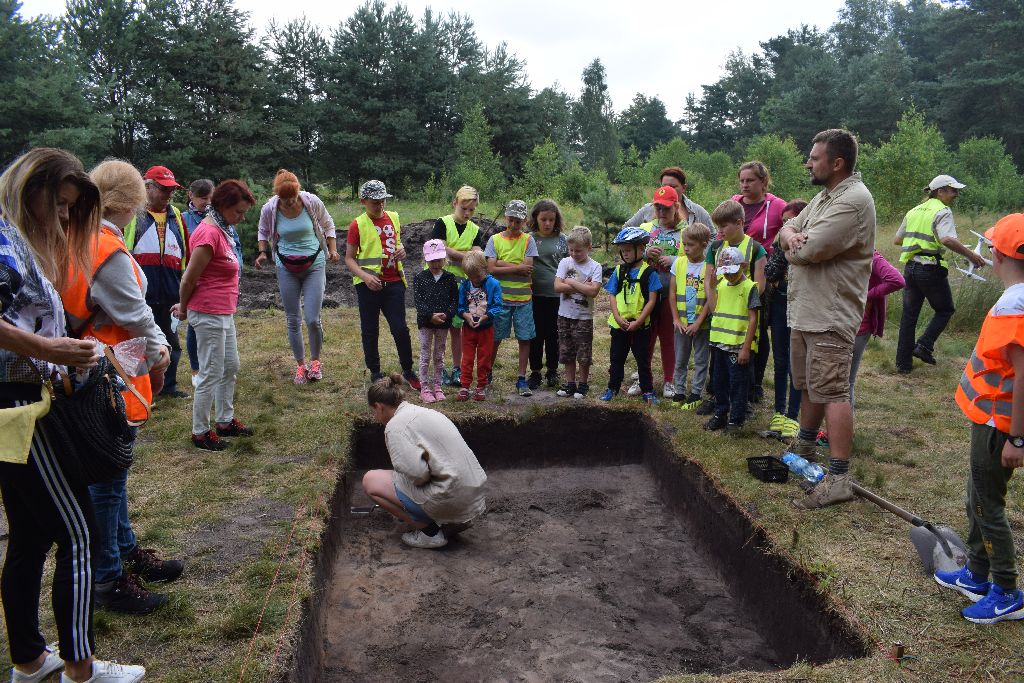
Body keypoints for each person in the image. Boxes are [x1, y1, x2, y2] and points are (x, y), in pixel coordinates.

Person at [0, 148, 146, 682]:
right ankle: (81, 670)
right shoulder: (3, 245)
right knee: (80, 533)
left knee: (30, 536)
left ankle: (30, 661)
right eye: (58, 204)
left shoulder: (20, 244)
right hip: (21, 409)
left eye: (70, 208)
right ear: (28, 190)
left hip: (20, 404)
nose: (63, 217)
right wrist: (51, 350)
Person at [62, 159, 183, 616]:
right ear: (132, 201)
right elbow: (134, 314)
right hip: (110, 376)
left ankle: (126, 552)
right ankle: (109, 578)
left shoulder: (80, 240)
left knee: (112, 473)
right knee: (108, 481)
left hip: (94, 368)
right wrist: (160, 350)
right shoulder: (107, 249)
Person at [776, 128, 876, 510]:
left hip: (830, 314)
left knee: (833, 391)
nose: (808, 163)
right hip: (807, 310)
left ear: (837, 163)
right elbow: (787, 230)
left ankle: (838, 478)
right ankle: (804, 447)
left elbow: (809, 250)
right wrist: (790, 235)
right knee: (809, 385)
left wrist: (793, 246)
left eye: (814, 158)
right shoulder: (824, 197)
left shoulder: (853, 201)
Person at [935, 212, 1024, 624]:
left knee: (988, 506)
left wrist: (1016, 438)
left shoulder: (1014, 306)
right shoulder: (1016, 299)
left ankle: (1006, 591)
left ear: (997, 255)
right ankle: (976, 573)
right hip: (992, 422)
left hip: (998, 426)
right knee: (977, 498)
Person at [361, 374, 487, 549]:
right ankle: (454, 521)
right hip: (472, 495)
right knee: (401, 478)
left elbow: (419, 476)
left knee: (371, 480)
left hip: (450, 499)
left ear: (379, 406)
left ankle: (430, 533)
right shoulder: (425, 412)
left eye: (373, 411)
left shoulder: (395, 426)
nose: (375, 416)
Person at [174, 180, 256, 451]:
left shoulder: (223, 228)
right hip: (208, 312)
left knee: (230, 366)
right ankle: (200, 432)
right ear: (222, 206)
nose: (242, 218)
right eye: (239, 212)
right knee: (210, 372)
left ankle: (225, 420)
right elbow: (189, 279)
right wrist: (183, 308)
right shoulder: (208, 233)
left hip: (223, 311)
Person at [894, 174, 986, 373]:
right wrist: (971, 255)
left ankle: (903, 364)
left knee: (909, 316)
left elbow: (898, 239)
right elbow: (946, 239)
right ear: (940, 191)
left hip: (910, 268)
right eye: (953, 190)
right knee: (945, 310)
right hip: (930, 268)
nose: (956, 194)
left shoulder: (914, 211)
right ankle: (924, 346)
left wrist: (918, 243)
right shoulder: (943, 211)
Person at [256, 170, 340, 385]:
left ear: (298, 191)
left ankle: (316, 362)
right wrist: (263, 252)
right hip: (286, 266)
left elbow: (328, 224)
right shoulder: (270, 208)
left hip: (314, 263)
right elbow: (263, 230)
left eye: (293, 198)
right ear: (278, 196)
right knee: (293, 319)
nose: (290, 202)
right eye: (285, 199)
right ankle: (300, 365)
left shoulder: (311, 202)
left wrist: (332, 249)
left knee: (312, 319)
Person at [344, 180, 419, 389]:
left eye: (383, 200)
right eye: (375, 202)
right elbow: (349, 259)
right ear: (363, 201)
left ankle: (408, 370)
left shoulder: (394, 217)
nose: (380, 205)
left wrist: (402, 250)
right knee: (370, 330)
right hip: (368, 286)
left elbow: (395, 244)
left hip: (394, 282)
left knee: (400, 328)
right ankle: (375, 372)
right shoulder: (357, 225)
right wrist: (365, 277)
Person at [123, 165, 189, 399]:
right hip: (141, 293)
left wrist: (183, 290)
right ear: (147, 187)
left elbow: (185, 254)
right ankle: (137, 388)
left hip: (170, 291)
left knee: (171, 343)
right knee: (138, 343)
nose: (169, 194)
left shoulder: (176, 215)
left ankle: (167, 387)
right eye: (164, 189)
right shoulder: (132, 214)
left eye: (172, 190)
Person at [701, 200, 767, 418]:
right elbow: (709, 280)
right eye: (717, 227)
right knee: (718, 364)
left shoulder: (755, 249)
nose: (719, 231)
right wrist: (713, 305)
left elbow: (760, 285)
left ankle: (743, 402)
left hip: (743, 319)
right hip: (721, 318)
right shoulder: (715, 248)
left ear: (739, 223)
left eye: (723, 226)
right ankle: (717, 399)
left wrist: (742, 298)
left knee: (743, 365)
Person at [733, 161, 787, 404]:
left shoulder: (777, 206)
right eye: (742, 180)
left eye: (750, 180)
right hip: (732, 275)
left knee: (758, 328)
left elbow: (789, 233)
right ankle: (733, 375)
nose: (745, 185)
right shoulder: (734, 203)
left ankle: (755, 383)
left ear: (763, 181)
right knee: (736, 323)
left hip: (761, 275)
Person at [431, 186, 485, 388]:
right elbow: (440, 249)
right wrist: (467, 255)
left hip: (462, 286)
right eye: (464, 208)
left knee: (457, 328)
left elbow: (478, 257)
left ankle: (456, 368)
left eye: (472, 210)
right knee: (439, 329)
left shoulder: (475, 230)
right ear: (455, 203)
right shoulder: (442, 223)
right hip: (440, 283)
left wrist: (459, 253)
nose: (467, 213)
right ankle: (439, 368)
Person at [599, 227, 661, 404]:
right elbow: (612, 294)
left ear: (641, 249)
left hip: (641, 326)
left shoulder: (650, 273)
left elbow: (652, 301)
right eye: (622, 250)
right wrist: (617, 318)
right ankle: (613, 387)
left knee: (643, 359)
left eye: (627, 250)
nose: (624, 254)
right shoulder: (619, 271)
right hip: (620, 325)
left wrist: (639, 322)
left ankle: (647, 390)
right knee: (616, 358)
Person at [763, 200, 807, 438]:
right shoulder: (779, 243)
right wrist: (783, 249)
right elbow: (770, 272)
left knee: (796, 363)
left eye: (791, 221)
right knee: (780, 360)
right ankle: (779, 411)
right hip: (780, 304)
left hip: (801, 307)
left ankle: (793, 415)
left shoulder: (811, 243)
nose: (786, 226)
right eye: (783, 222)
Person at [704, 247, 760, 433]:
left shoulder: (749, 287)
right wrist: (712, 287)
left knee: (738, 384)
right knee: (718, 381)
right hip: (719, 344)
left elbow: (753, 319)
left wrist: (745, 348)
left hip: (737, 346)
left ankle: (736, 420)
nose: (728, 276)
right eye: (725, 273)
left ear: (743, 266)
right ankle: (720, 414)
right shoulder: (721, 285)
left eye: (732, 272)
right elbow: (715, 309)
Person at [486, 200, 538, 396]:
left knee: (524, 338)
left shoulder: (528, 240)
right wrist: (516, 267)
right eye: (511, 220)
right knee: (495, 338)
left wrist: (502, 263)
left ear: (524, 221)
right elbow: (491, 269)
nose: (514, 224)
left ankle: (521, 378)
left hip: (523, 300)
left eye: (518, 221)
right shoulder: (494, 240)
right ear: (505, 217)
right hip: (500, 300)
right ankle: (486, 373)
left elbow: (528, 269)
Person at [849, 250, 904, 406]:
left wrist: (866, 295)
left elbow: (897, 280)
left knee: (845, 384)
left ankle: (840, 423)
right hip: (835, 324)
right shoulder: (838, 251)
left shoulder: (870, 256)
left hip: (857, 326)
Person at [553, 226, 602, 399]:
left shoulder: (595, 267)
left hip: (584, 317)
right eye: (571, 250)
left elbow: (593, 291)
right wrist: (582, 286)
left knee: (583, 352)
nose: (574, 254)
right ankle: (570, 384)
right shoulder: (565, 262)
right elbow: (557, 286)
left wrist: (571, 282)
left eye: (578, 251)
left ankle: (583, 384)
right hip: (564, 315)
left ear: (589, 248)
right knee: (567, 351)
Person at [670, 222, 713, 410]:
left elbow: (710, 298)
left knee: (701, 360)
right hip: (681, 323)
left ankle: (696, 394)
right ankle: (679, 391)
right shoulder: (678, 263)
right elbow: (672, 293)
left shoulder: (709, 266)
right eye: (684, 244)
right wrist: (675, 319)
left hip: (701, 325)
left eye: (690, 245)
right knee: (680, 358)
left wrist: (698, 322)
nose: (686, 248)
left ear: (704, 245)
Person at [526, 199, 567, 391]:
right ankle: (535, 371)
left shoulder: (563, 240)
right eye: (544, 219)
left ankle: (552, 370)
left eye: (551, 219)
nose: (548, 223)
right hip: (533, 295)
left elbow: (570, 265)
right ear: (536, 218)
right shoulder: (529, 239)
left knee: (554, 334)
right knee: (535, 334)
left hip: (556, 296)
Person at [413, 239, 458, 403]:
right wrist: (430, 315)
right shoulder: (420, 278)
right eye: (431, 260)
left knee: (439, 355)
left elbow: (454, 300)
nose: (435, 264)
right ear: (425, 259)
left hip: (443, 324)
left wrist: (447, 315)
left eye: (438, 260)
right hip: (426, 323)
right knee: (425, 355)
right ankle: (424, 388)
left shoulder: (450, 278)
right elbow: (418, 301)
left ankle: (438, 386)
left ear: (444, 258)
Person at [456, 251, 503, 401]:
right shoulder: (464, 285)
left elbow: (498, 306)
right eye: (470, 277)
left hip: (486, 328)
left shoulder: (493, 284)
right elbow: (459, 306)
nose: (475, 280)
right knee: (467, 358)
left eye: (477, 277)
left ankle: (481, 385)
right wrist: (465, 316)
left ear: (485, 268)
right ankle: (465, 386)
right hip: (468, 328)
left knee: (484, 358)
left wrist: (485, 317)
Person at [182, 179, 214, 388]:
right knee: (194, 325)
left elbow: (234, 245)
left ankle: (213, 366)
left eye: (210, 198)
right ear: (191, 196)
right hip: (194, 278)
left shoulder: (219, 219)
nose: (207, 202)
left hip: (215, 281)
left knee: (215, 326)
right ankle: (196, 369)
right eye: (203, 198)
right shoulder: (184, 219)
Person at [624, 165, 713, 229]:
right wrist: (641, 248)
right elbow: (626, 229)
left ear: (684, 188)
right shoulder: (648, 209)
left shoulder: (698, 212)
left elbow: (712, 236)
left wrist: (698, 249)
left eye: (673, 186)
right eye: (664, 186)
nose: (668, 189)